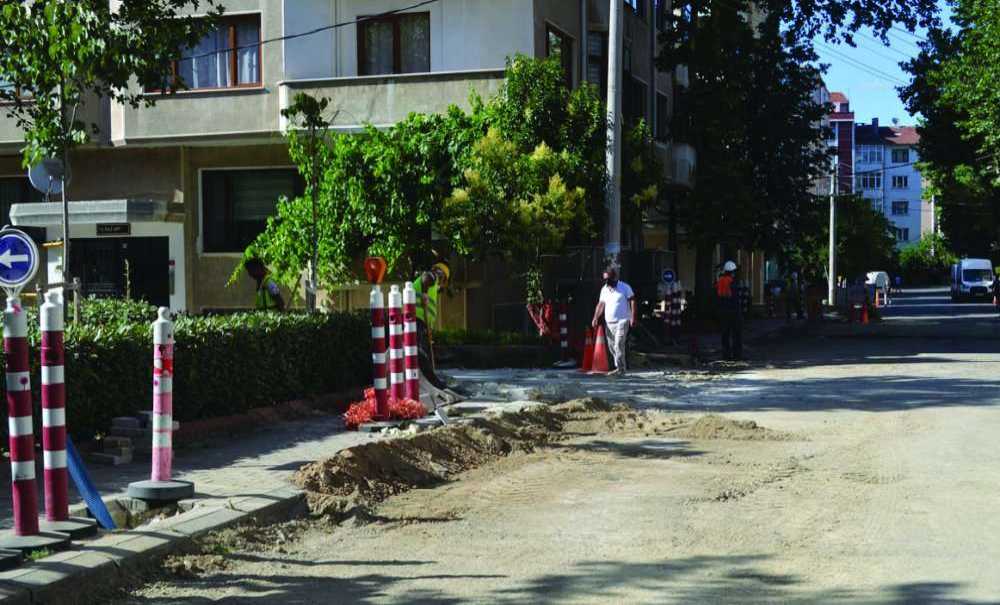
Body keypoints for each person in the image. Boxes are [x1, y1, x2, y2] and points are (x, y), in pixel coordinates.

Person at [591, 267, 636, 376]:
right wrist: (595, 317)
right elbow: (601, 305)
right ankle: (619, 367)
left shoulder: (625, 287)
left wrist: (632, 317)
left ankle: (621, 370)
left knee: (618, 345)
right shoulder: (604, 289)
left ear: (615, 277)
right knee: (612, 347)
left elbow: (633, 301)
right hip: (609, 322)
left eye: (609, 279)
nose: (607, 282)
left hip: (623, 320)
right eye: (605, 280)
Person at [413, 262, 450, 390]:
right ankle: (433, 384)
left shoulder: (433, 287)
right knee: (420, 354)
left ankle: (428, 383)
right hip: (415, 320)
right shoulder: (435, 276)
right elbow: (426, 276)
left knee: (421, 354)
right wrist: (424, 294)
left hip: (419, 323)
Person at [717, 261, 743, 361]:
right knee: (736, 334)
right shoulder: (732, 282)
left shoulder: (720, 281)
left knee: (725, 334)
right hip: (734, 312)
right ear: (732, 272)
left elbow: (718, 296)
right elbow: (735, 298)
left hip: (723, 311)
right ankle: (737, 356)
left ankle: (726, 355)